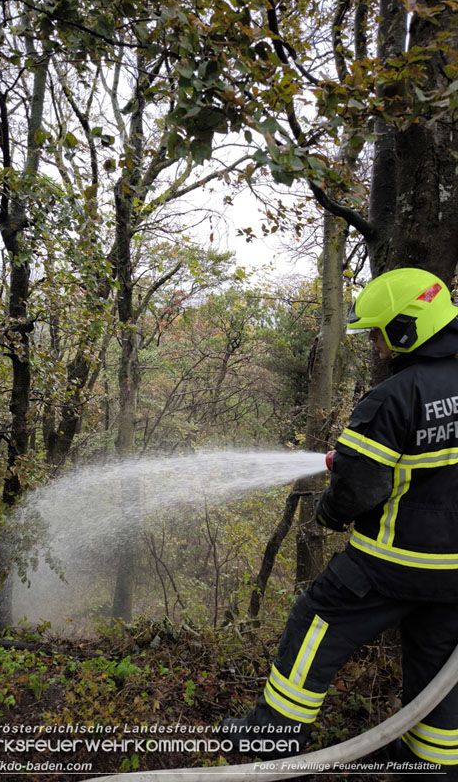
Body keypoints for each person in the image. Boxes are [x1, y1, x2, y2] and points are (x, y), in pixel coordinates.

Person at [222, 267, 458, 776]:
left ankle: (272, 735)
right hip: (455, 575)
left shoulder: (393, 397)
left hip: (391, 564)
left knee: (317, 618)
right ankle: (434, 763)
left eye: (377, 332)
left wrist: (329, 511)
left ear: (406, 328)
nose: (374, 345)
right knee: (437, 659)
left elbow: (358, 491)